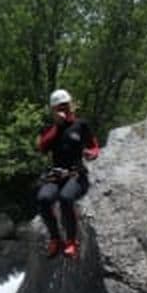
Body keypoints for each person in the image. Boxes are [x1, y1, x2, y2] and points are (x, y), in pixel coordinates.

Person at [35, 88, 100, 258]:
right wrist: (57, 127)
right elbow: (42, 148)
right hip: (57, 175)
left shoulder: (81, 125)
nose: (63, 109)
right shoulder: (48, 129)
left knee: (65, 198)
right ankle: (55, 239)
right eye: (59, 107)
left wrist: (91, 154)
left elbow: (94, 146)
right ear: (53, 109)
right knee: (43, 199)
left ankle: (71, 241)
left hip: (76, 174)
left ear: (70, 105)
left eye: (65, 106)